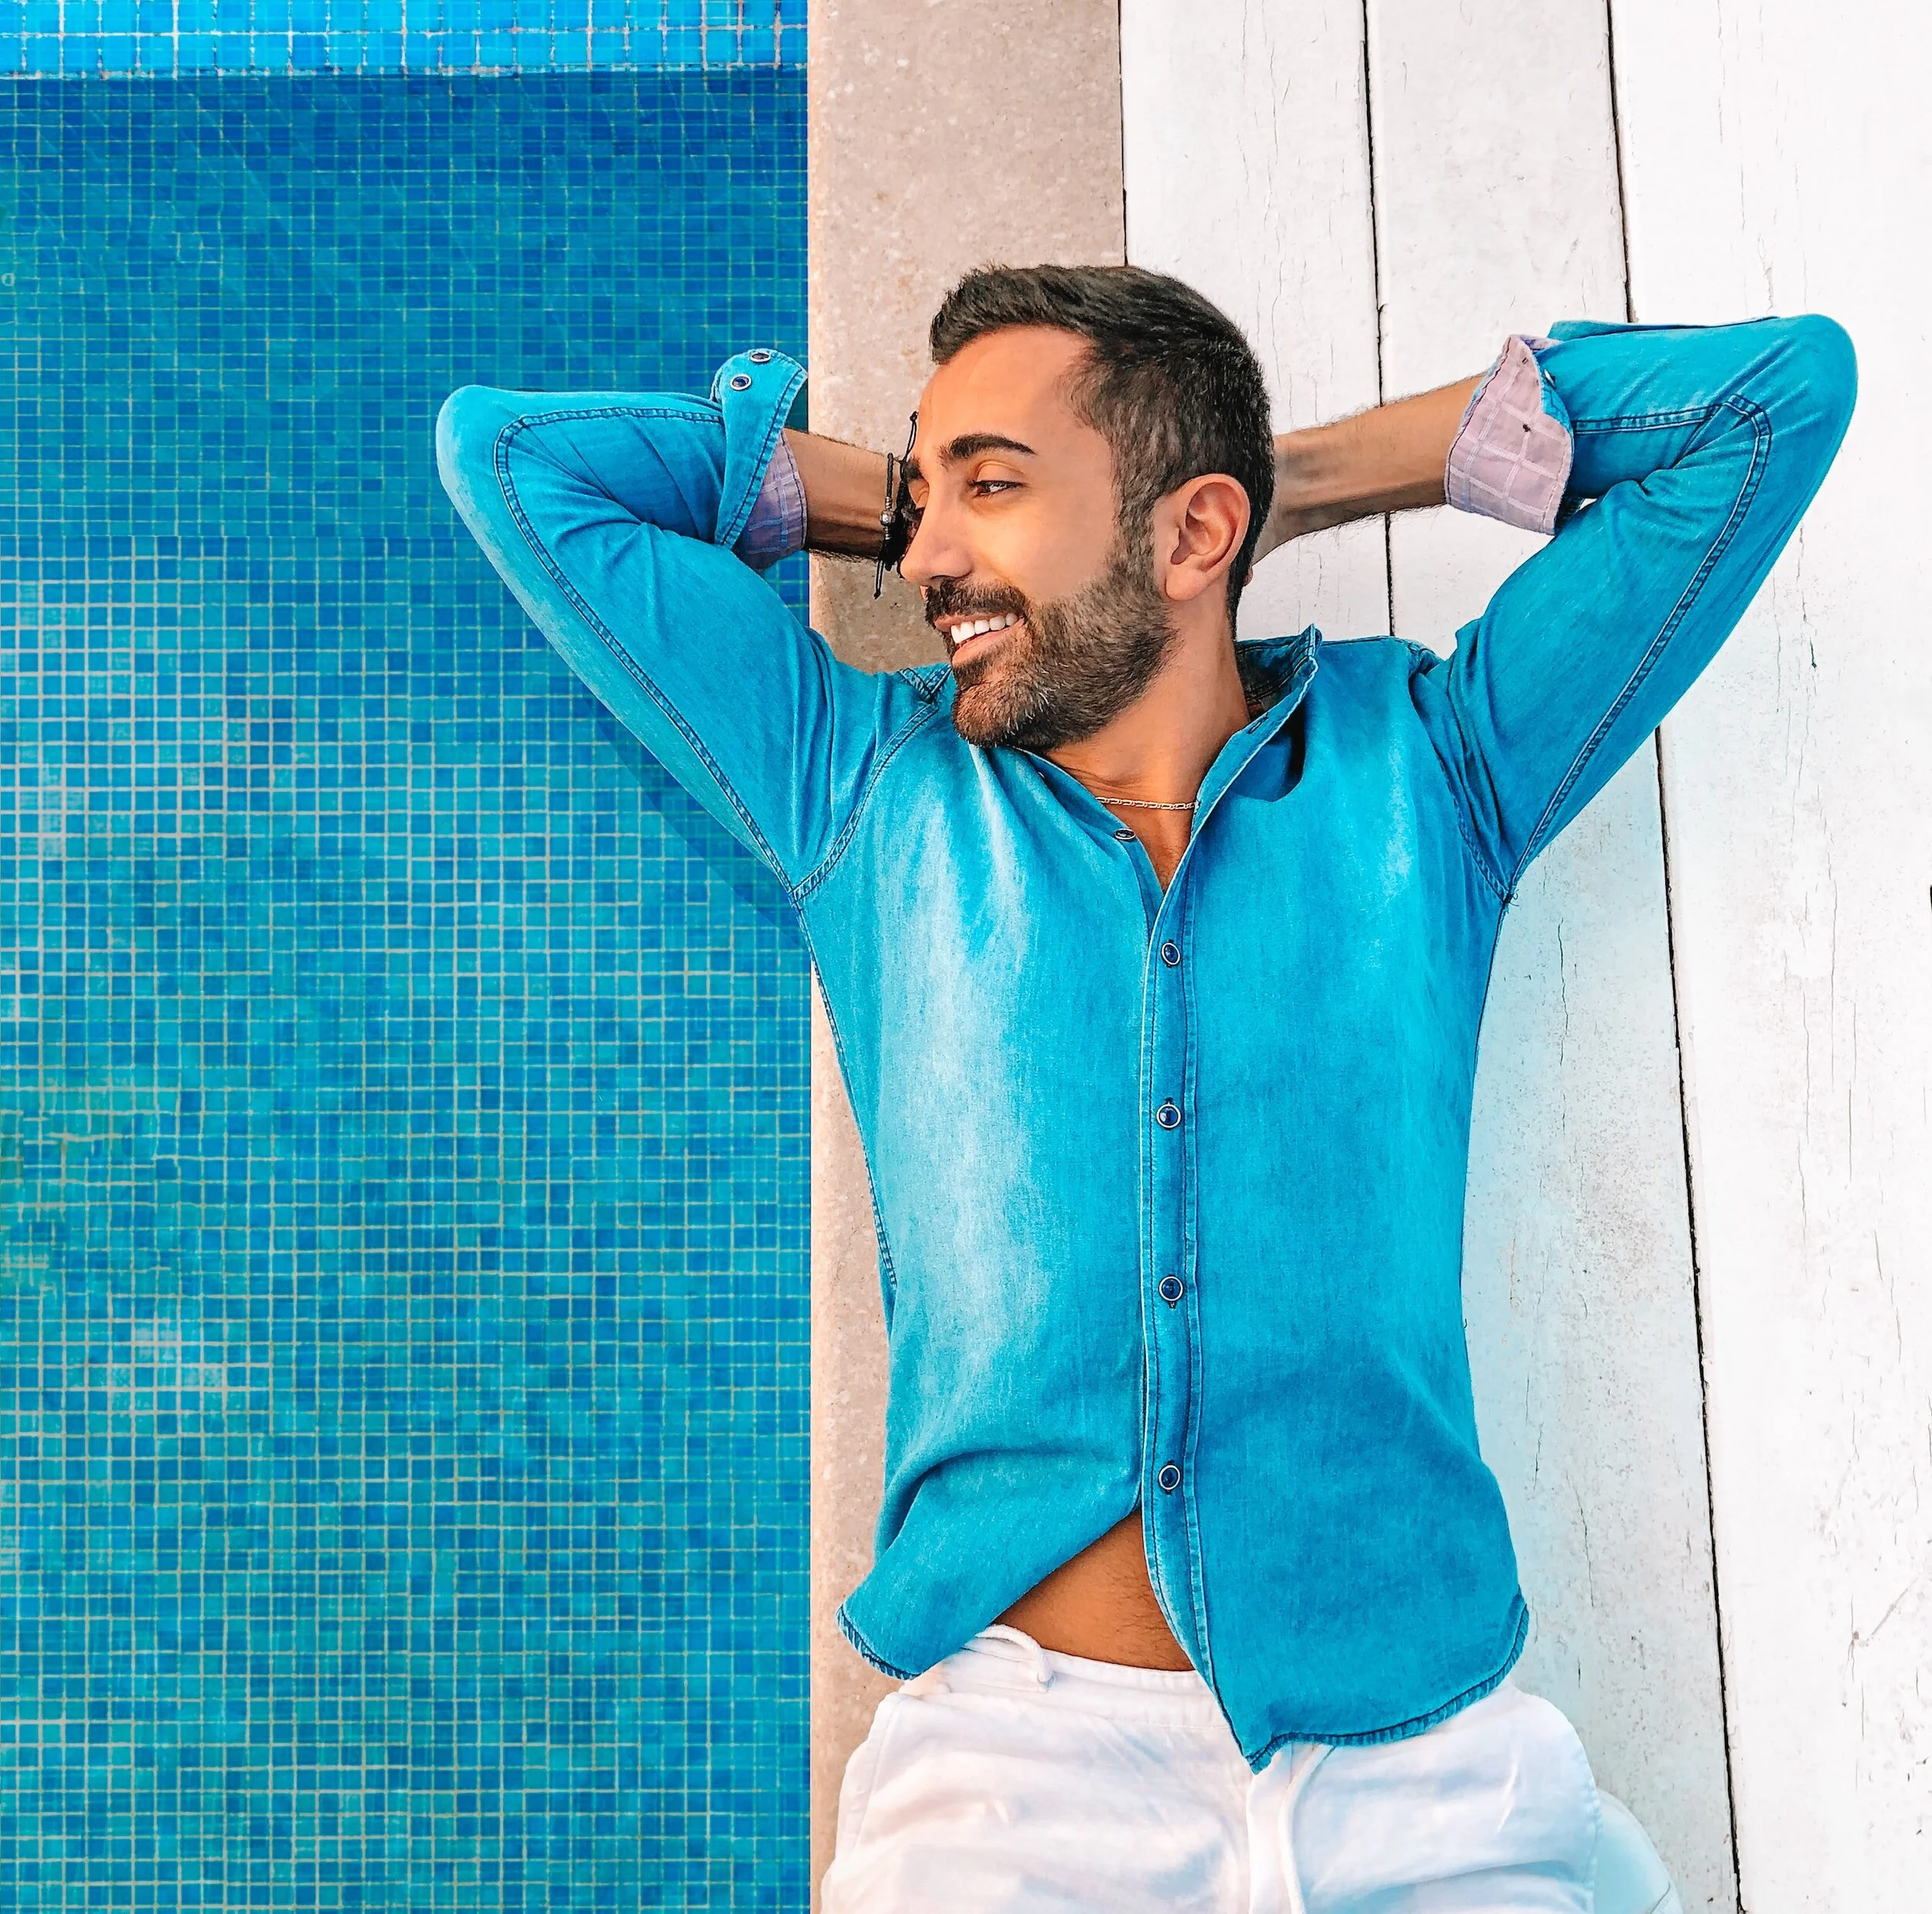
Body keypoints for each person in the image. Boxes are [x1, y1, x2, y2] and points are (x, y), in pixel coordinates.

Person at [437, 267, 1855, 1912]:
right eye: (920, 490)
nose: (921, 554)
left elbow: (1766, 402)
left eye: (987, 483)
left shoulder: (1436, 766)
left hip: (1427, 1783)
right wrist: (905, 489)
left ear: (1190, 534)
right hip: (1017, 1797)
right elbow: (516, 462)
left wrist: (1286, 477)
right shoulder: (861, 787)